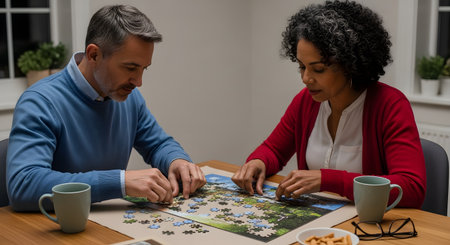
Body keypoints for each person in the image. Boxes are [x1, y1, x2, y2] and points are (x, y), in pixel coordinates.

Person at [7, 5, 206, 211]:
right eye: (130, 68)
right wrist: (120, 182)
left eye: (143, 69)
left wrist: (177, 161)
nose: (138, 82)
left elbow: (157, 144)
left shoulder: (129, 97)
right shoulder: (40, 101)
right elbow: (24, 184)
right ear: (93, 55)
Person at [232, 0, 426, 208]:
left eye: (318, 69)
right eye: (301, 67)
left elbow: (412, 187)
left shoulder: (389, 105)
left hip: (367, 228)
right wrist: (258, 162)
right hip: (316, 225)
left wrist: (328, 180)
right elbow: (274, 149)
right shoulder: (306, 101)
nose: (306, 78)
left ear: (350, 64)